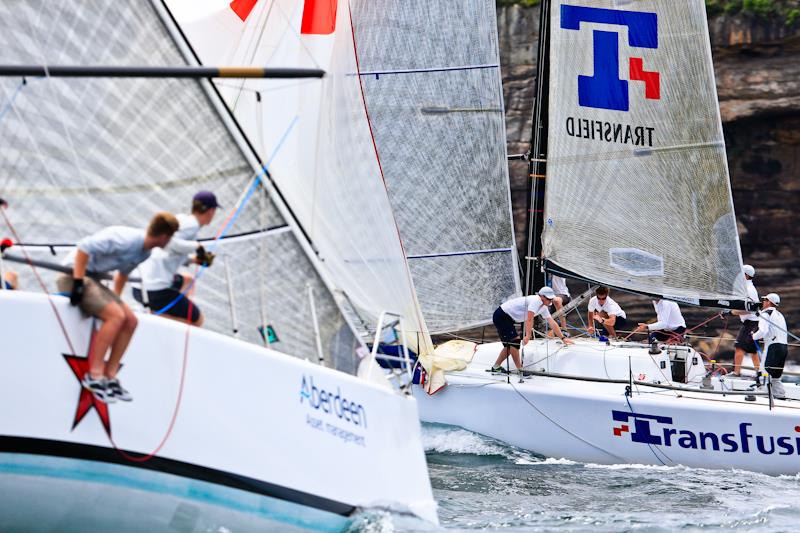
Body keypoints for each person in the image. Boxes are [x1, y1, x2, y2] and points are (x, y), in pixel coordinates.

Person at [56, 212, 180, 403]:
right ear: (164, 236)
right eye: (170, 237)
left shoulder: (145, 252)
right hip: (73, 275)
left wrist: (116, 301)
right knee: (115, 317)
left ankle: (110, 376)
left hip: (94, 280)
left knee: (130, 320)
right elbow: (83, 247)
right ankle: (94, 375)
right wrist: (79, 282)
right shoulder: (125, 239)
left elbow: (122, 275)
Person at [132, 191, 219, 326]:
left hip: (138, 286)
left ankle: (165, 314)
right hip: (153, 290)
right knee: (197, 320)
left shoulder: (183, 220)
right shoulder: (191, 227)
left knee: (188, 281)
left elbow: (170, 252)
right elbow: (168, 243)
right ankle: (153, 317)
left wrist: (194, 260)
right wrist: (197, 247)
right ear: (211, 211)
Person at [490, 287, 574, 373]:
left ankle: (496, 367)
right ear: (541, 296)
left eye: (551, 299)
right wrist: (528, 336)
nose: (550, 301)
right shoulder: (536, 300)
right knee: (514, 342)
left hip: (508, 318)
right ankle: (520, 369)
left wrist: (563, 338)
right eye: (548, 299)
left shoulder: (544, 307)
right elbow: (529, 319)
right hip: (502, 315)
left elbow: (552, 322)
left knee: (510, 346)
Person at [752, 293, 788, 398]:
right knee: (776, 376)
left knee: (764, 373)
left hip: (773, 347)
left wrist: (753, 336)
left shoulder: (765, 314)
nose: (763, 302)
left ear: (769, 302)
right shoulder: (779, 315)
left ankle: (762, 397)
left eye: (764, 300)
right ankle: (780, 396)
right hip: (784, 348)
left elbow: (763, 331)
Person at [730, 264, 760, 376]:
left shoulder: (748, 289)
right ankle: (759, 373)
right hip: (754, 323)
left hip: (751, 323)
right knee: (753, 351)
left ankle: (736, 373)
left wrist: (731, 312)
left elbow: (748, 310)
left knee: (739, 348)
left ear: (746, 275)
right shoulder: (747, 288)